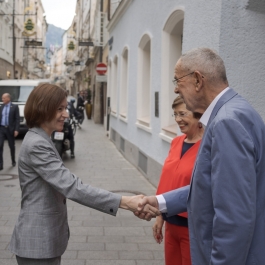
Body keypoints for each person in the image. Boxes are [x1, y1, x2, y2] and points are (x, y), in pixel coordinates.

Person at [137, 47, 265, 264]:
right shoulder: (236, 111)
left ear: (197, 80)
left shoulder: (226, 122)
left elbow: (234, 217)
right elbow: (211, 187)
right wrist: (160, 202)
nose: (176, 89)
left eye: (177, 81)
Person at [9, 83, 147, 265]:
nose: (65, 114)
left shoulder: (41, 138)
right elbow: (72, 187)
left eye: (65, 108)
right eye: (60, 109)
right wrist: (125, 202)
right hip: (37, 243)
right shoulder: (37, 144)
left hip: (43, 242)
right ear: (43, 108)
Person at [153, 96, 203, 265]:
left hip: (193, 228)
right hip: (171, 223)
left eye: (182, 114)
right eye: (175, 114)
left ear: (198, 115)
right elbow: (166, 178)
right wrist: (160, 216)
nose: (178, 120)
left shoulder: (208, 146)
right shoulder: (176, 142)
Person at [0, 93, 20, 170]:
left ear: (8, 98)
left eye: (3, 98)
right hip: (2, 129)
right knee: (0, 145)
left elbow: (17, 119)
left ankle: (13, 160)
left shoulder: (14, 107)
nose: (2, 100)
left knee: (11, 146)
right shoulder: (1, 107)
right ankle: (0, 164)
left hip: (10, 129)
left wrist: (16, 129)